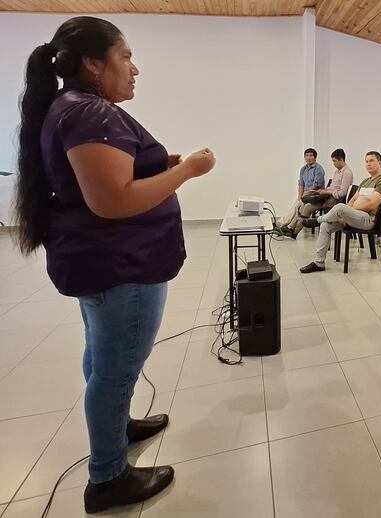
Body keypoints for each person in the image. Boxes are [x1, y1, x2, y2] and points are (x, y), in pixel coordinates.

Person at [13, 17, 216, 512]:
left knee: (106, 358)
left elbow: (106, 182)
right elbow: (112, 201)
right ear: (92, 64)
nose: (135, 69)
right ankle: (107, 478)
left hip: (104, 260)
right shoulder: (89, 113)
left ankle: (118, 425)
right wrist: (188, 171)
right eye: (125, 57)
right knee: (115, 368)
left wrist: (154, 165)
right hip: (121, 263)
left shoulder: (76, 109)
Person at [299, 151, 381, 273]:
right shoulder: (365, 181)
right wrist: (346, 214)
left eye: (372, 161)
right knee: (326, 225)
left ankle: (317, 220)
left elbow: (372, 205)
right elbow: (353, 200)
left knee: (340, 207)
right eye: (366, 161)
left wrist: (347, 212)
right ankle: (319, 262)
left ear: (380, 162)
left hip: (367, 219)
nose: (368, 164)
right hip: (355, 216)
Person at [280, 148, 352, 238]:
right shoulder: (337, 172)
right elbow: (332, 188)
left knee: (307, 207)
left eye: (334, 161)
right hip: (327, 196)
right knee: (302, 205)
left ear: (341, 159)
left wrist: (327, 192)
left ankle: (294, 231)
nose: (333, 164)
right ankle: (291, 228)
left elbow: (342, 193)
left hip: (335, 200)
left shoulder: (347, 173)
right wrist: (324, 191)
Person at [278, 148, 326, 234]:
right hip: (305, 195)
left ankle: (283, 225)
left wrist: (304, 196)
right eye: (306, 155)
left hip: (314, 195)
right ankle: (287, 226)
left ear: (315, 157)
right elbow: (301, 184)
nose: (308, 157)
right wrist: (300, 196)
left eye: (311, 155)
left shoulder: (319, 169)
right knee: (296, 206)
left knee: (297, 207)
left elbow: (316, 186)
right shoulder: (303, 169)